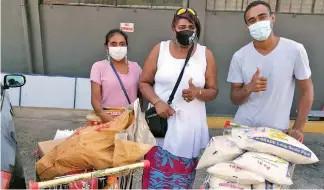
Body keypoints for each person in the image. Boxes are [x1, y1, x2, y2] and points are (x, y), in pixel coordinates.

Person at [139, 8, 219, 189]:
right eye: (182, 26)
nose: (187, 30)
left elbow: (213, 91)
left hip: (188, 131)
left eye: (191, 26)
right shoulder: (160, 49)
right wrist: (157, 102)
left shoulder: (206, 55)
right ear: (173, 28)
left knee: (181, 182)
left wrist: (198, 92)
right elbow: (144, 82)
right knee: (154, 180)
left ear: (197, 29)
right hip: (161, 129)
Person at [227, 1, 314, 141]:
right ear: (247, 27)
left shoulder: (295, 50)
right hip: (244, 130)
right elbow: (234, 98)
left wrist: (298, 128)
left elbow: (307, 90)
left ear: (272, 18)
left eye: (262, 17)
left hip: (278, 133)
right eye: (252, 20)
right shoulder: (240, 56)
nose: (258, 23)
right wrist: (248, 88)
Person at [90, 29, 142, 123]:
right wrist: (108, 119)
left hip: (131, 120)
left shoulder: (136, 68)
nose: (118, 47)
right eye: (113, 44)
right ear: (106, 47)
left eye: (122, 44)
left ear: (126, 46)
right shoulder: (98, 67)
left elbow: (140, 95)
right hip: (106, 120)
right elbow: (95, 99)